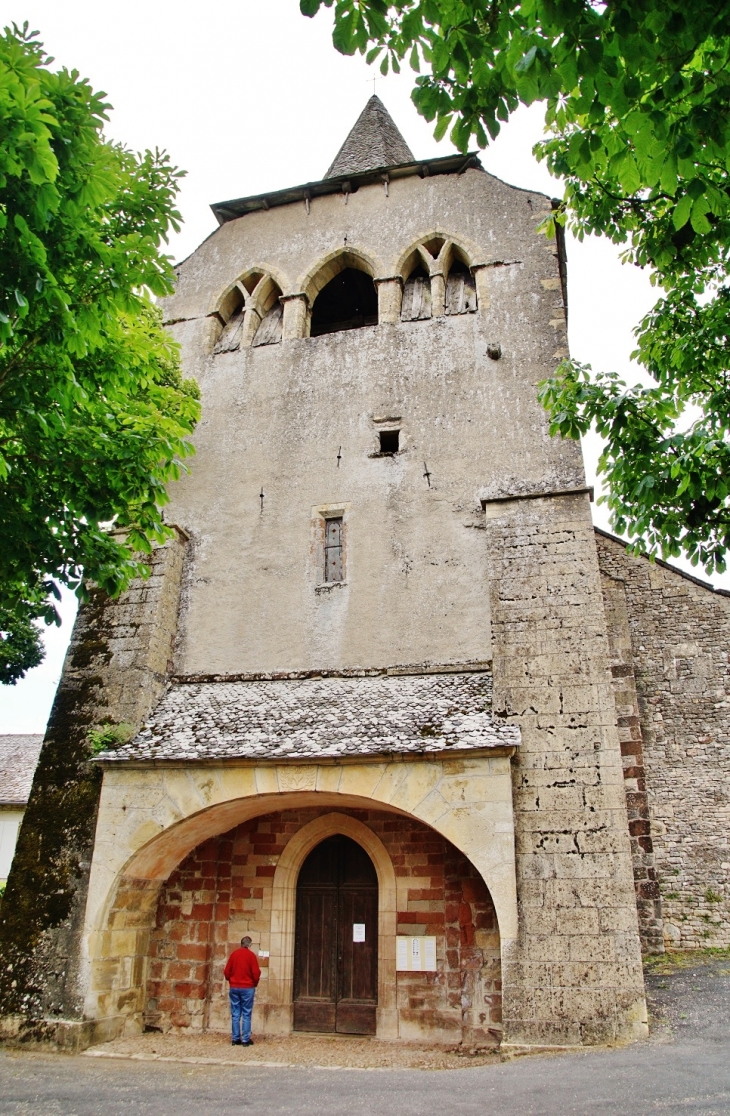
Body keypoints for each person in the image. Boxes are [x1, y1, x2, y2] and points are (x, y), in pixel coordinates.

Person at [224, 935, 261, 1046]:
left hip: (234, 987)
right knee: (246, 1013)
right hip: (247, 987)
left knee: (235, 1013)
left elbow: (226, 971)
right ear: (249, 945)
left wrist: (231, 980)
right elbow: (256, 973)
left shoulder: (234, 955)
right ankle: (245, 1039)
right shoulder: (251, 956)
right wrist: (254, 983)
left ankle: (235, 1039)